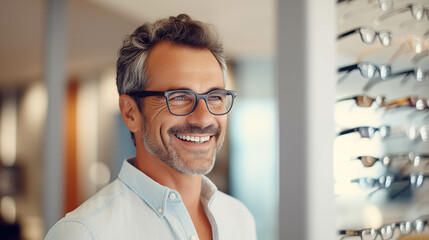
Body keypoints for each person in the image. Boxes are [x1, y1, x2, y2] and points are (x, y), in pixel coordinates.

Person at [44, 14, 257, 240]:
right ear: (130, 113)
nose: (203, 119)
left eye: (215, 96)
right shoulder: (85, 233)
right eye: (179, 97)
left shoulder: (239, 218)